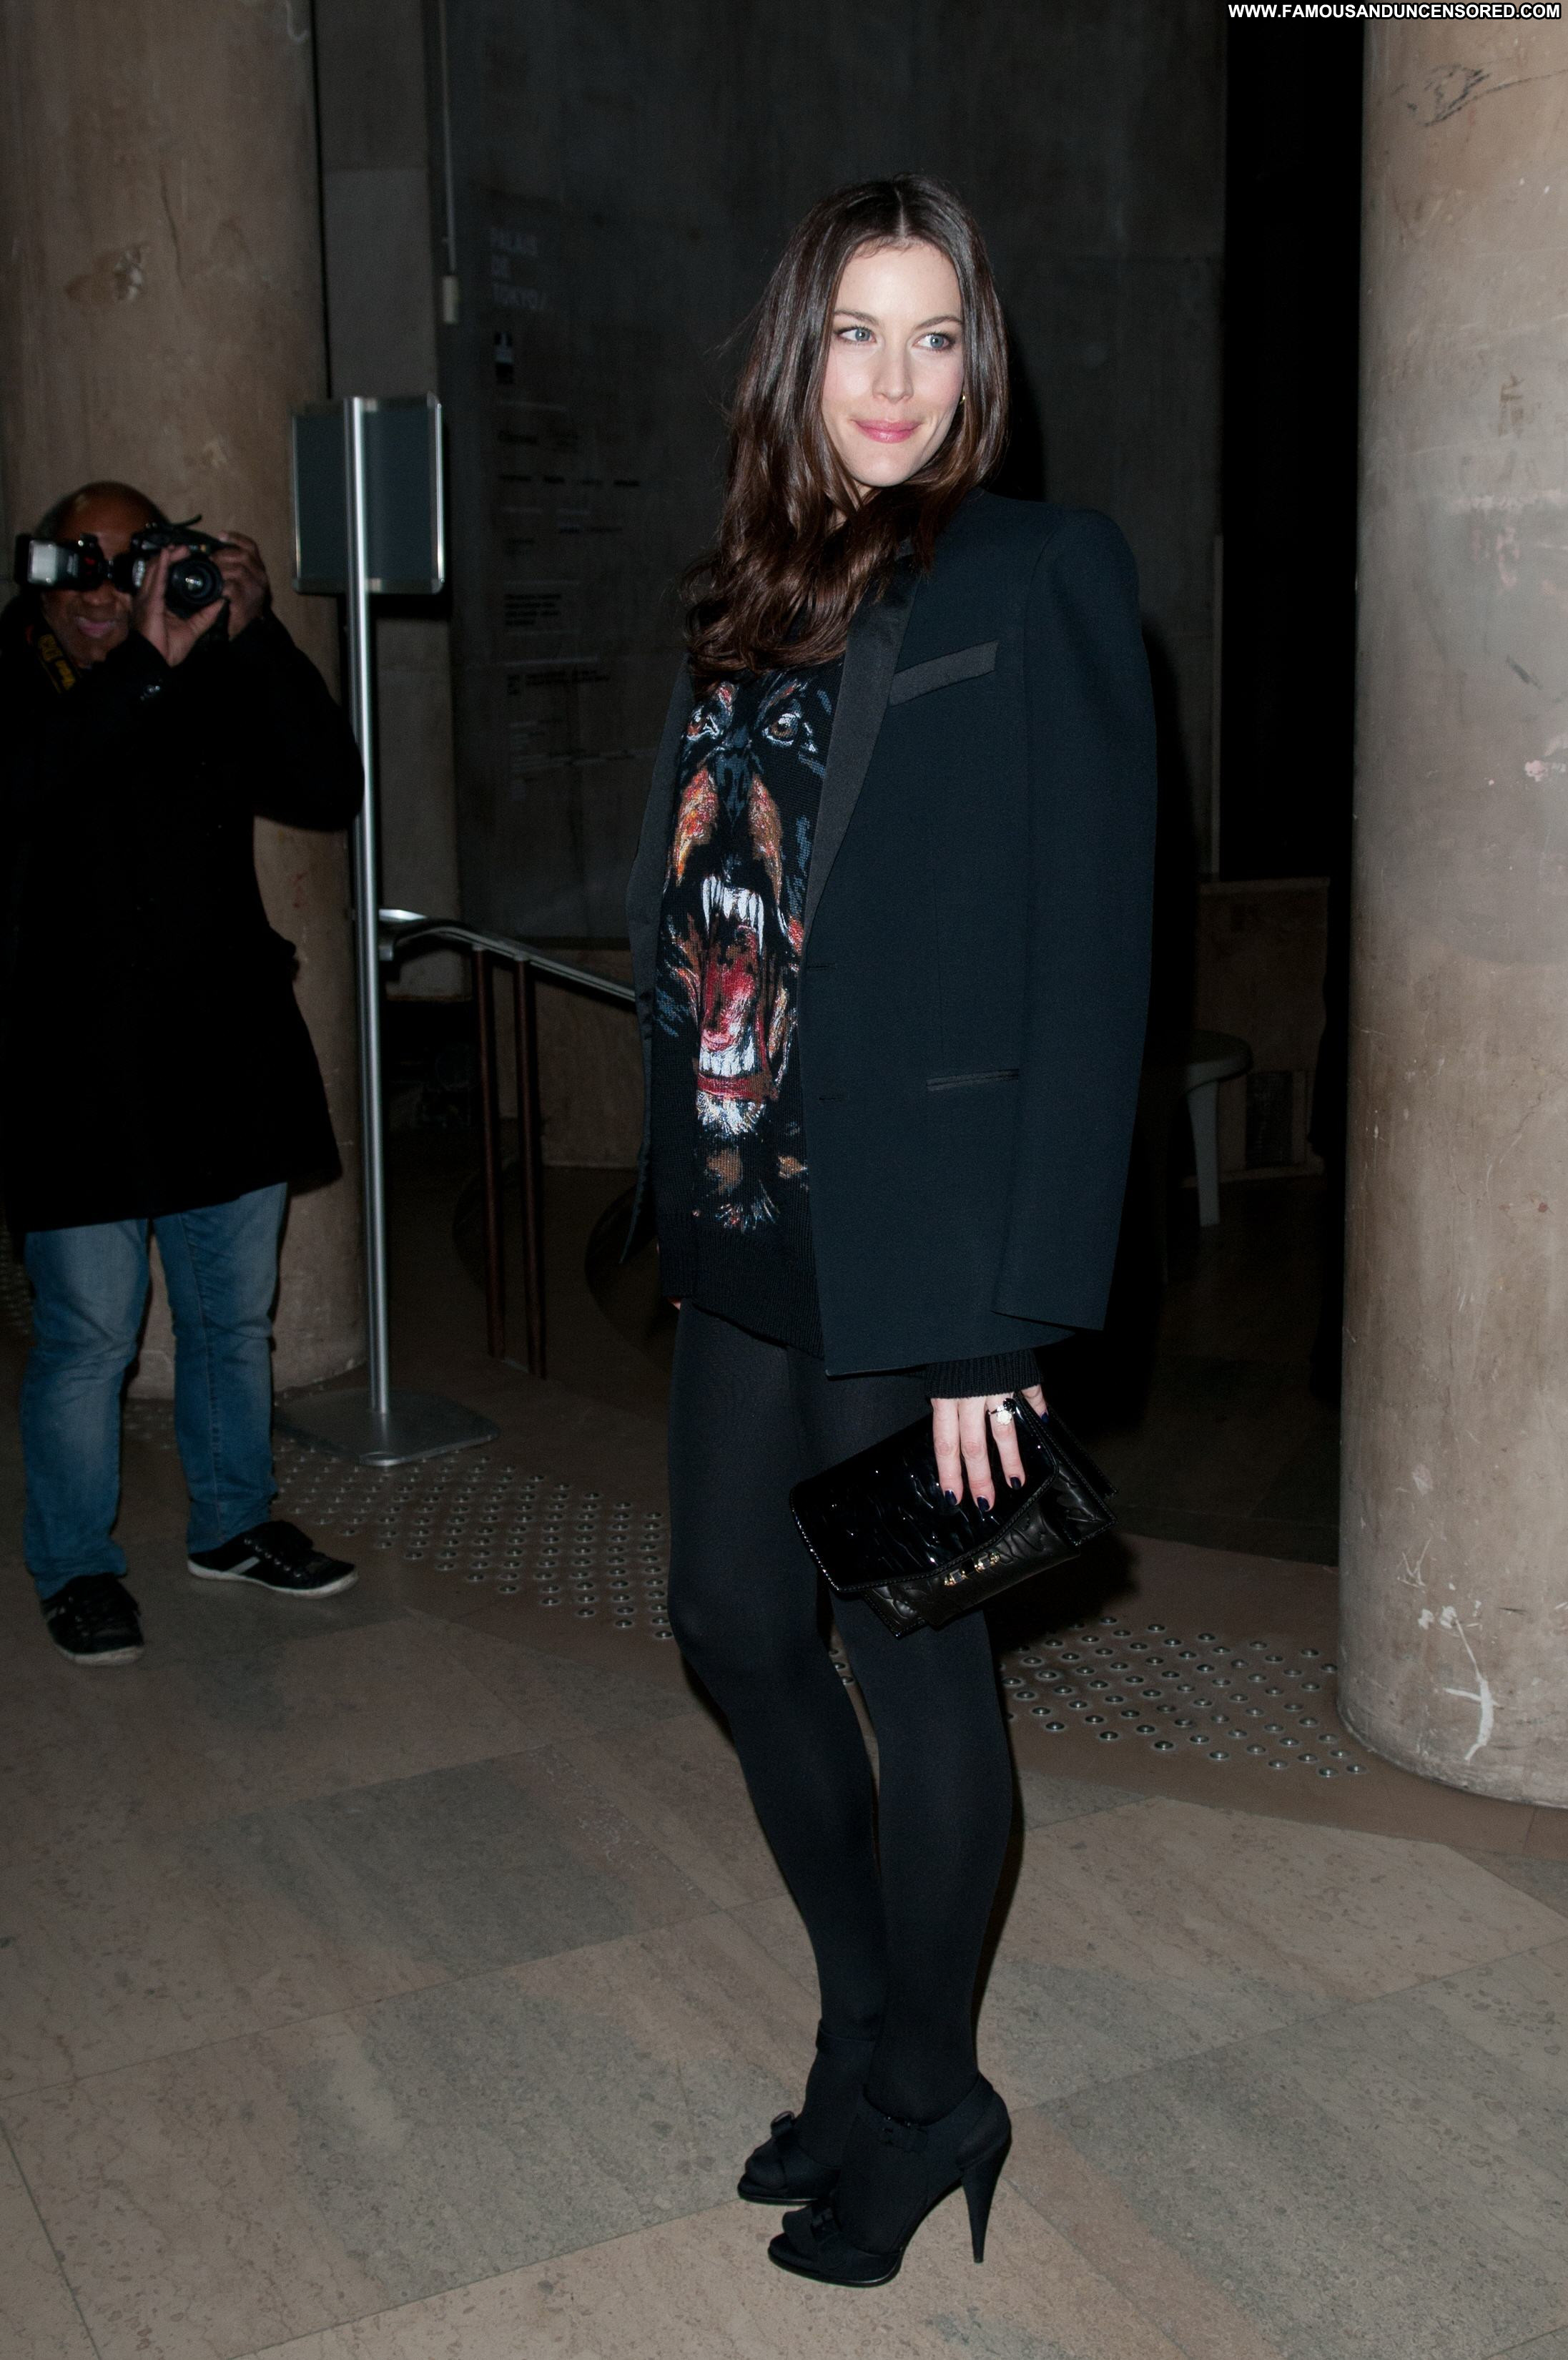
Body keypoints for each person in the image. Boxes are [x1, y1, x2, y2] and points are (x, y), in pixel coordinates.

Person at [625, 177, 1156, 2285]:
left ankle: (931, 2092)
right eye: (858, 331)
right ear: (795, 351)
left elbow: (1089, 972)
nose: (896, 380)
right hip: (747, 1223)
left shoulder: (1036, 571)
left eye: (937, 337)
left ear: (977, 362)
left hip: (921, 1258)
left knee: (914, 1673)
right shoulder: (739, 598)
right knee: (726, 1623)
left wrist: (996, 1326)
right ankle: (863, 2029)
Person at [1, 481, 363, 1666]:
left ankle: (234, 1525)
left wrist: (255, 634)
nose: (106, 591)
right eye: (81, 564)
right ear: (42, 575)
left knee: (229, 1321)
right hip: (74, 1075)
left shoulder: (209, 670)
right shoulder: (21, 683)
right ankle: (75, 1567)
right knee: (90, 1340)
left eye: (132, 564)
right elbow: (33, 782)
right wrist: (149, 664)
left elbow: (326, 787)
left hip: (220, 1057)